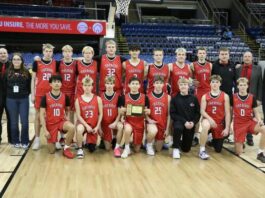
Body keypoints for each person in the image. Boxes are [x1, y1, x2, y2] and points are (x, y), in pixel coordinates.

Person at [40, 75, 75, 158]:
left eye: (58, 82)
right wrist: (45, 131)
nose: (57, 84)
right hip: (51, 124)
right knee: (52, 151)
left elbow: (68, 110)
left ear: (61, 84)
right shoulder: (45, 97)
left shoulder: (65, 96)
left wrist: (68, 120)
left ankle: (66, 148)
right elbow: (41, 115)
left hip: (61, 121)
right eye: (54, 82)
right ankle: (55, 140)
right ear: (50, 84)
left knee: (72, 127)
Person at [232, 77, 265, 163]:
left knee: (264, 129)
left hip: (249, 122)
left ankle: (260, 153)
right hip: (238, 124)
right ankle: (240, 142)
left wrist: (259, 120)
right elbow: (229, 113)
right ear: (238, 86)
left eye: (244, 85)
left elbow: (256, 112)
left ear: (247, 86)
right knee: (238, 152)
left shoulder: (251, 97)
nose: (242, 87)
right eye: (241, 85)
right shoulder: (233, 97)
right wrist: (230, 126)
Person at [31, 44, 57, 150]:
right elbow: (33, 80)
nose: (48, 53)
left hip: (52, 93)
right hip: (40, 93)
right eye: (46, 51)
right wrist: (32, 93)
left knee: (53, 117)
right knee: (38, 116)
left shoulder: (56, 63)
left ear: (52, 52)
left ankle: (56, 139)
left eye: (50, 51)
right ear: (43, 51)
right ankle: (37, 139)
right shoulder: (37, 62)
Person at [199, 75, 231, 160]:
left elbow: (227, 113)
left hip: (219, 123)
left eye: (217, 82)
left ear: (220, 84)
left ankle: (211, 139)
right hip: (208, 120)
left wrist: (227, 128)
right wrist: (210, 119)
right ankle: (202, 150)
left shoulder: (225, 96)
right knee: (205, 126)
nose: (215, 84)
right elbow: (202, 111)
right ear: (210, 84)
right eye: (213, 82)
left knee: (218, 149)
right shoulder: (205, 96)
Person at [118, 76, 150, 158]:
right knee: (128, 129)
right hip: (129, 121)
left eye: (136, 84)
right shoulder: (123, 97)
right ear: (129, 85)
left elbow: (147, 111)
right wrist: (122, 111)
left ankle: (133, 143)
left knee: (137, 150)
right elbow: (120, 112)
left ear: (139, 86)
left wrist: (148, 112)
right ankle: (127, 147)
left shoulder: (145, 97)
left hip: (139, 123)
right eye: (133, 84)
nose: (135, 85)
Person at [3, 53, 31, 149]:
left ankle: (25, 141)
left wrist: (25, 94)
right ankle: (15, 141)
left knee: (24, 121)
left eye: (18, 59)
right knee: (13, 122)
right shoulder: (7, 72)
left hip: (23, 99)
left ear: (21, 61)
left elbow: (29, 86)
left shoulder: (27, 72)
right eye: (14, 59)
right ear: (12, 61)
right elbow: (4, 86)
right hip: (11, 100)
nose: (16, 61)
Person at [236, 51, 262, 146]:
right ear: (243, 58)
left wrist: (259, 98)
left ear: (252, 58)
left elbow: (260, 84)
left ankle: (249, 137)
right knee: (240, 118)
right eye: (245, 56)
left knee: (250, 117)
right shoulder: (238, 69)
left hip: (252, 96)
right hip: (240, 97)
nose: (247, 58)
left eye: (249, 56)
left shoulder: (258, 68)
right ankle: (240, 138)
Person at [170, 78, 200, 159]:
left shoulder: (194, 98)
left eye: (185, 84)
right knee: (178, 127)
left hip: (190, 124)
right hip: (180, 122)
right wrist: (184, 122)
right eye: (181, 85)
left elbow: (198, 113)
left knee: (186, 149)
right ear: (178, 87)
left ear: (188, 86)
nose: (183, 86)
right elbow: (173, 114)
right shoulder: (175, 99)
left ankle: (179, 142)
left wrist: (193, 122)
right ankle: (175, 148)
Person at [75, 76, 103, 158]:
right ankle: (80, 149)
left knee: (91, 149)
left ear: (92, 86)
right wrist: (86, 126)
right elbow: (78, 115)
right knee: (79, 129)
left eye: (89, 85)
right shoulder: (78, 100)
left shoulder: (98, 99)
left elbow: (100, 114)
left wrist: (97, 127)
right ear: (82, 86)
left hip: (93, 126)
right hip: (83, 124)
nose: (87, 87)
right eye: (85, 85)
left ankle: (88, 141)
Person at [190, 47, 212, 146]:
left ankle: (208, 135)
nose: (202, 54)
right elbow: (189, 78)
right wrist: (192, 82)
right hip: (198, 92)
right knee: (197, 115)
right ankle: (196, 136)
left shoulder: (210, 65)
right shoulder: (193, 65)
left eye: (203, 53)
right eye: (200, 53)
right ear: (197, 54)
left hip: (208, 92)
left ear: (205, 54)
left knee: (208, 115)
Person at [146, 75, 171, 155]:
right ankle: (148, 144)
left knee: (158, 149)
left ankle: (159, 142)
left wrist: (167, 129)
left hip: (162, 124)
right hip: (152, 123)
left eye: (160, 83)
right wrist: (148, 120)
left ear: (163, 84)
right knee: (153, 131)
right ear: (153, 84)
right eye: (157, 83)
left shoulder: (168, 97)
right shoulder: (148, 96)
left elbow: (169, 115)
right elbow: (144, 112)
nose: (159, 85)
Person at [100, 76, 123, 153]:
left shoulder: (118, 96)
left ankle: (117, 146)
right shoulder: (100, 97)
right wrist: (99, 127)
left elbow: (119, 113)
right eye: (107, 83)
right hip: (105, 124)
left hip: (114, 122)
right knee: (107, 148)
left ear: (114, 85)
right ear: (105, 85)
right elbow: (98, 113)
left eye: (111, 83)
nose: (109, 85)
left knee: (120, 126)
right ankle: (105, 139)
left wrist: (115, 122)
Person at [58, 45, 77, 123]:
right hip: (62, 91)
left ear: (72, 53)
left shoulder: (76, 63)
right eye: (65, 52)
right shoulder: (59, 63)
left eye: (69, 51)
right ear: (63, 53)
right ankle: (62, 131)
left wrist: (76, 58)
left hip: (72, 91)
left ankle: (71, 129)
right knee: (62, 111)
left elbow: (86, 59)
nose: (67, 53)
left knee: (71, 112)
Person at [0, 48, 11, 144]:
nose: (2, 54)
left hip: (9, 96)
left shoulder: (12, 65)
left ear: (7, 54)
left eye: (4, 53)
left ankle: (11, 139)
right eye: (1, 53)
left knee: (11, 118)